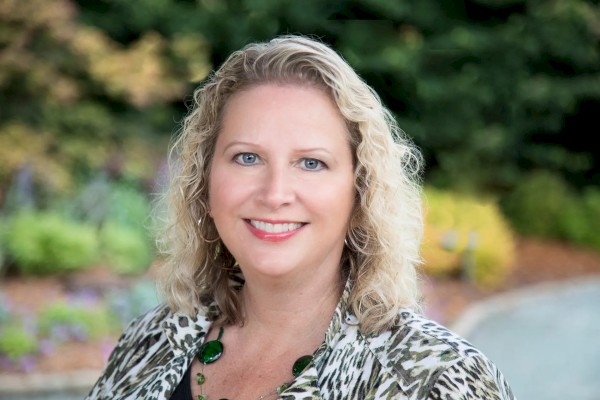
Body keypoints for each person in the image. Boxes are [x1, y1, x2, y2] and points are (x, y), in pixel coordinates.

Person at [85, 34, 515, 400]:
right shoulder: (152, 340)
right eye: (247, 157)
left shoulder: (434, 380)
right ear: (204, 181)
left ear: (360, 192)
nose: (275, 194)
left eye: (311, 163)